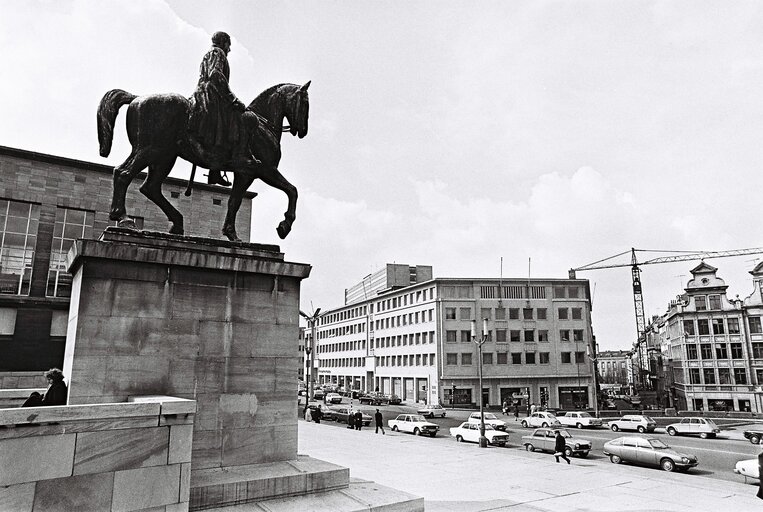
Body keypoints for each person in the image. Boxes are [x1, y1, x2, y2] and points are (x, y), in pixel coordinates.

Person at [189, 31, 261, 187]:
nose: (229, 49)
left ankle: (215, 170)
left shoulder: (211, 53)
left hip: (207, 91)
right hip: (211, 94)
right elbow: (215, 75)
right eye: (229, 45)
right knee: (241, 117)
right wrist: (232, 99)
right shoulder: (217, 52)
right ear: (223, 42)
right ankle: (240, 156)